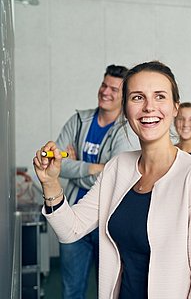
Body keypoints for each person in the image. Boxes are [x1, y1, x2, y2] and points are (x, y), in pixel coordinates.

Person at [33, 61, 191, 299]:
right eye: (137, 98)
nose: (149, 107)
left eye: (160, 96)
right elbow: (71, 229)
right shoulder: (118, 167)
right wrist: (50, 183)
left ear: (175, 107)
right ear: (125, 109)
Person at [55, 64, 139, 299]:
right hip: (73, 217)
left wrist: (76, 166)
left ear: (123, 96)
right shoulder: (79, 120)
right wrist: (93, 167)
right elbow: (57, 163)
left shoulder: (126, 129)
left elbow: (114, 175)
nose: (106, 92)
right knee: (72, 291)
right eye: (104, 85)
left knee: (109, 290)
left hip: (107, 221)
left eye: (114, 89)